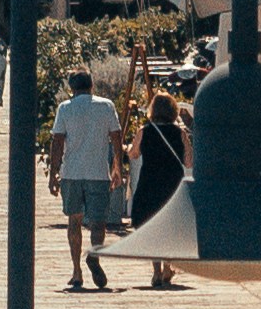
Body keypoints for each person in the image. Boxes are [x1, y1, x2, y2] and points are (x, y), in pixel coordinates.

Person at [51, 69, 124, 292]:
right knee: (98, 222)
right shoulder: (106, 106)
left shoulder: (65, 108)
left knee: (74, 220)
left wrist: (54, 173)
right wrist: (117, 166)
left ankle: (76, 271)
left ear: (71, 88)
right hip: (98, 173)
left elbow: (58, 142)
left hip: (72, 173)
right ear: (92, 85)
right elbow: (116, 136)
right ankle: (94, 255)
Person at [127, 78, 191, 289]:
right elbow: (189, 161)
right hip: (172, 185)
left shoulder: (145, 131)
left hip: (149, 183)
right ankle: (167, 268)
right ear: (173, 110)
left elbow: (134, 155)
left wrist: (131, 149)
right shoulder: (180, 133)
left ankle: (156, 271)